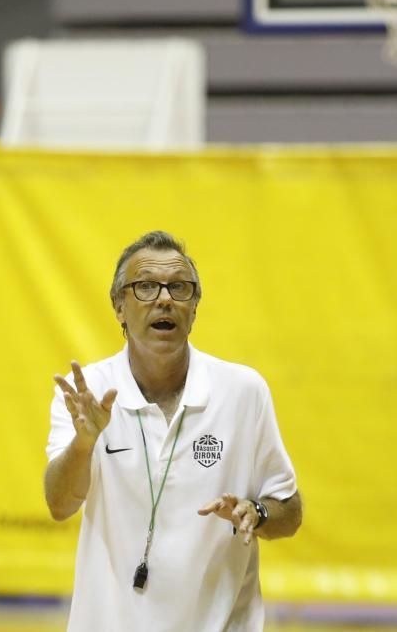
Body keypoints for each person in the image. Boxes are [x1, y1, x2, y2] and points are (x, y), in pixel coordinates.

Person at [44, 231, 302, 632]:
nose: (164, 299)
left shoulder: (243, 391)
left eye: (179, 287)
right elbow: (59, 505)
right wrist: (84, 442)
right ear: (119, 307)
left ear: (194, 307)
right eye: (146, 286)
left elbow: (290, 510)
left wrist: (258, 512)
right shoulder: (88, 393)